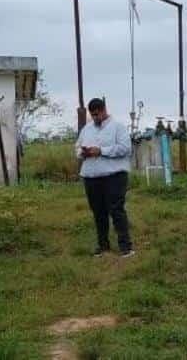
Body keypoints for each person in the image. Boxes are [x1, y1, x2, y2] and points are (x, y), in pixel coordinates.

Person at [75, 97, 135, 258]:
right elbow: (77, 148)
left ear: (104, 110)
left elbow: (125, 149)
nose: (95, 118)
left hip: (114, 176)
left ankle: (126, 247)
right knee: (98, 212)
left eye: (97, 114)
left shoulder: (118, 127)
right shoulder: (87, 129)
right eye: (92, 115)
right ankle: (103, 246)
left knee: (116, 210)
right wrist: (83, 152)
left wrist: (101, 151)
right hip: (91, 176)